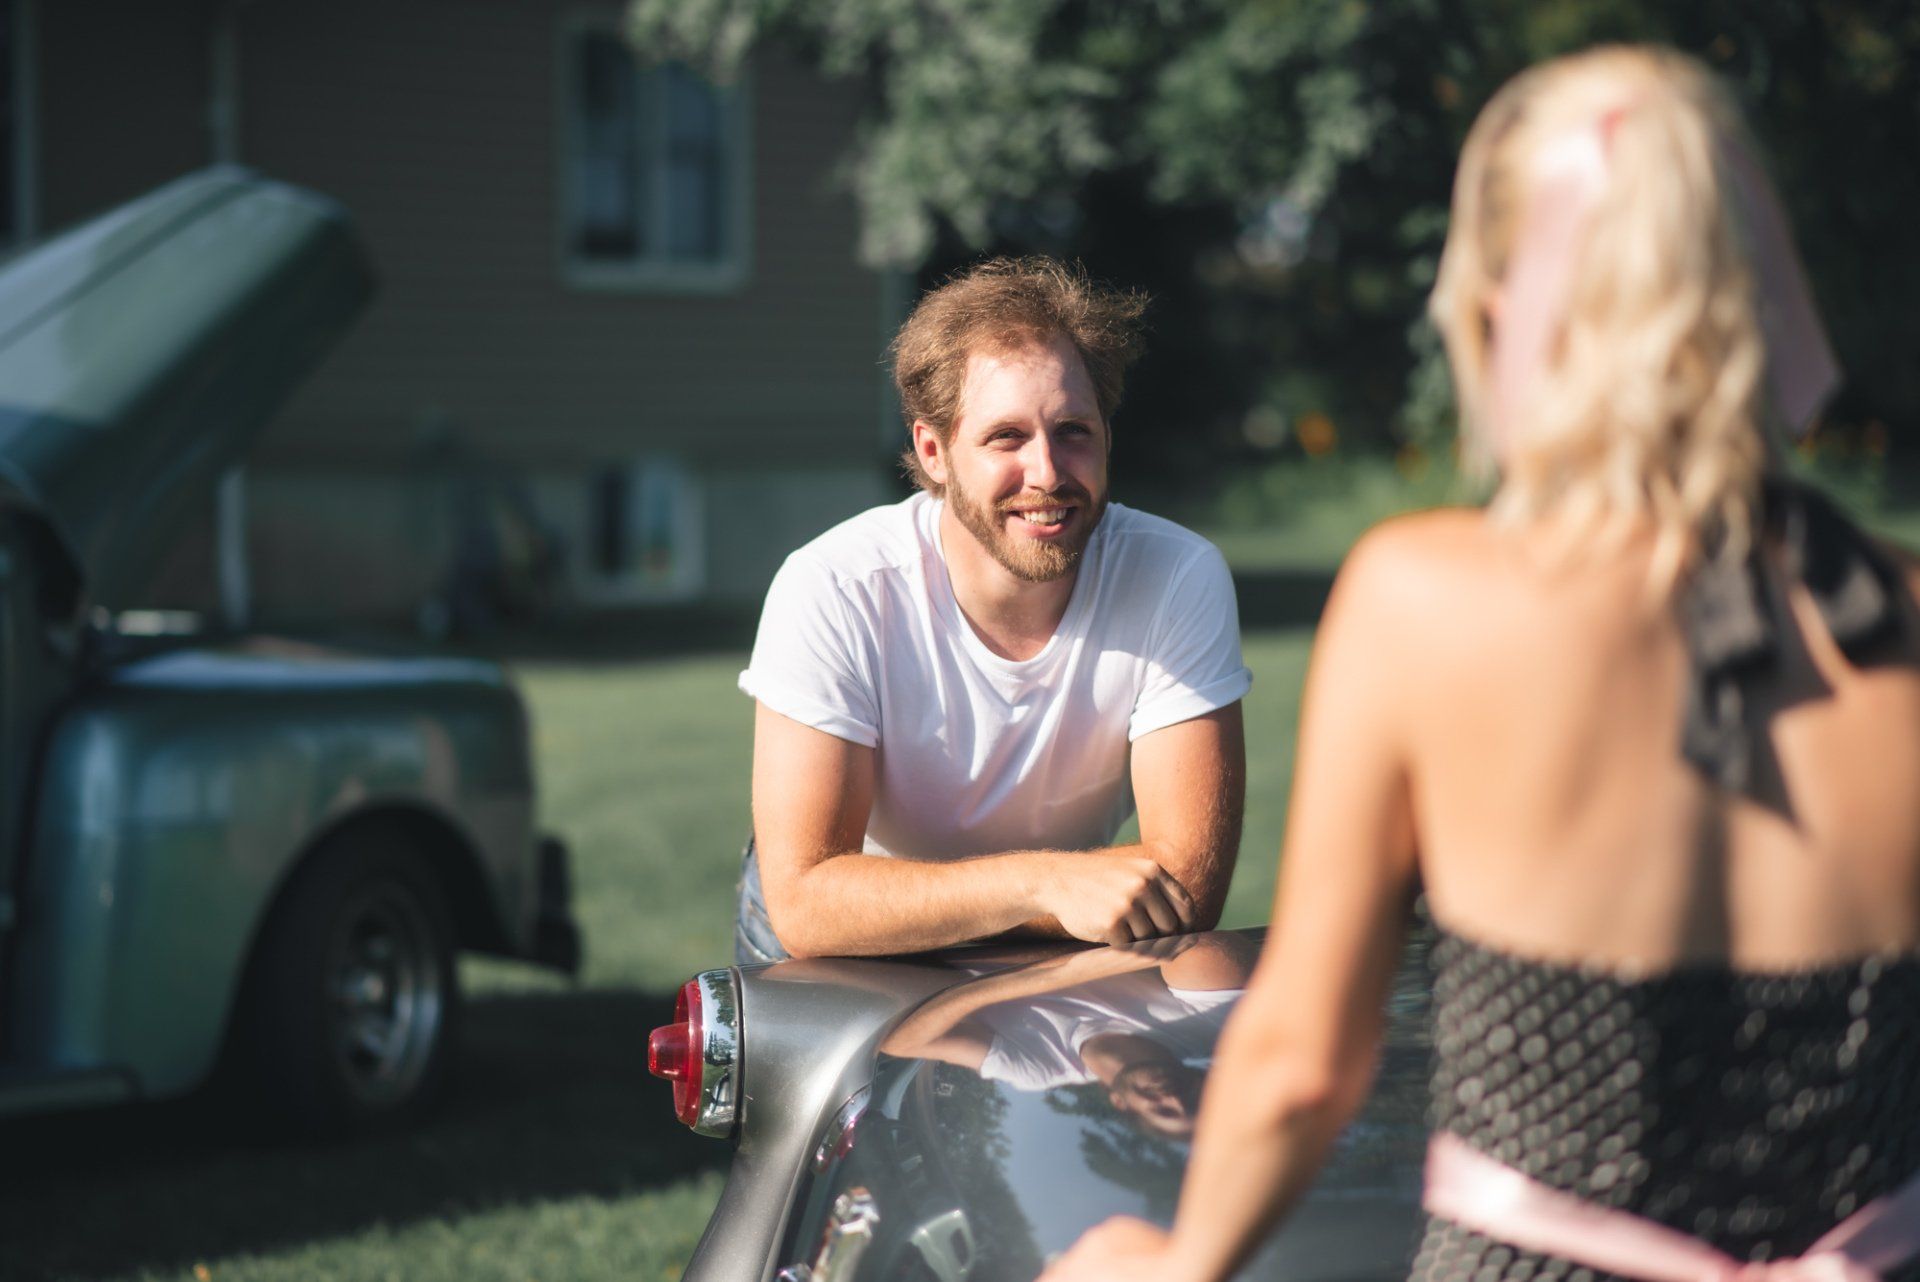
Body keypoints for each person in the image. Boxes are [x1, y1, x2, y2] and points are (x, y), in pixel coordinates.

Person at [1044, 45, 1920, 1282]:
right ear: (1757, 293)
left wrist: (1176, 1260)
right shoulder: (1902, 622)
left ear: (1503, 305)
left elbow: (1302, 1064)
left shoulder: (1423, 603)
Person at [736, 258, 1251, 962]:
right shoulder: (834, 587)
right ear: (934, 450)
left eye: (1074, 430)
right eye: (1006, 437)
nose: (1046, 473)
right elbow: (806, 901)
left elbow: (1187, 887)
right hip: (853, 948)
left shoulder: (1174, 576)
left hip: (1063, 936)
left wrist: (1049, 895)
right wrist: (1043, 883)